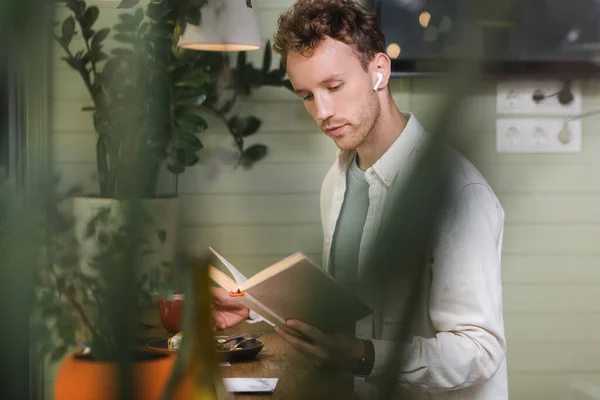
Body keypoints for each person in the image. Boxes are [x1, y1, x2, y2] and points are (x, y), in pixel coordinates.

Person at [211, 0, 508, 399]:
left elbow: (481, 350)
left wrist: (364, 355)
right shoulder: (336, 180)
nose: (322, 111)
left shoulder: (457, 193)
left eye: (333, 87)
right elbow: (358, 307)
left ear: (379, 71)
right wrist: (253, 305)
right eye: (307, 96)